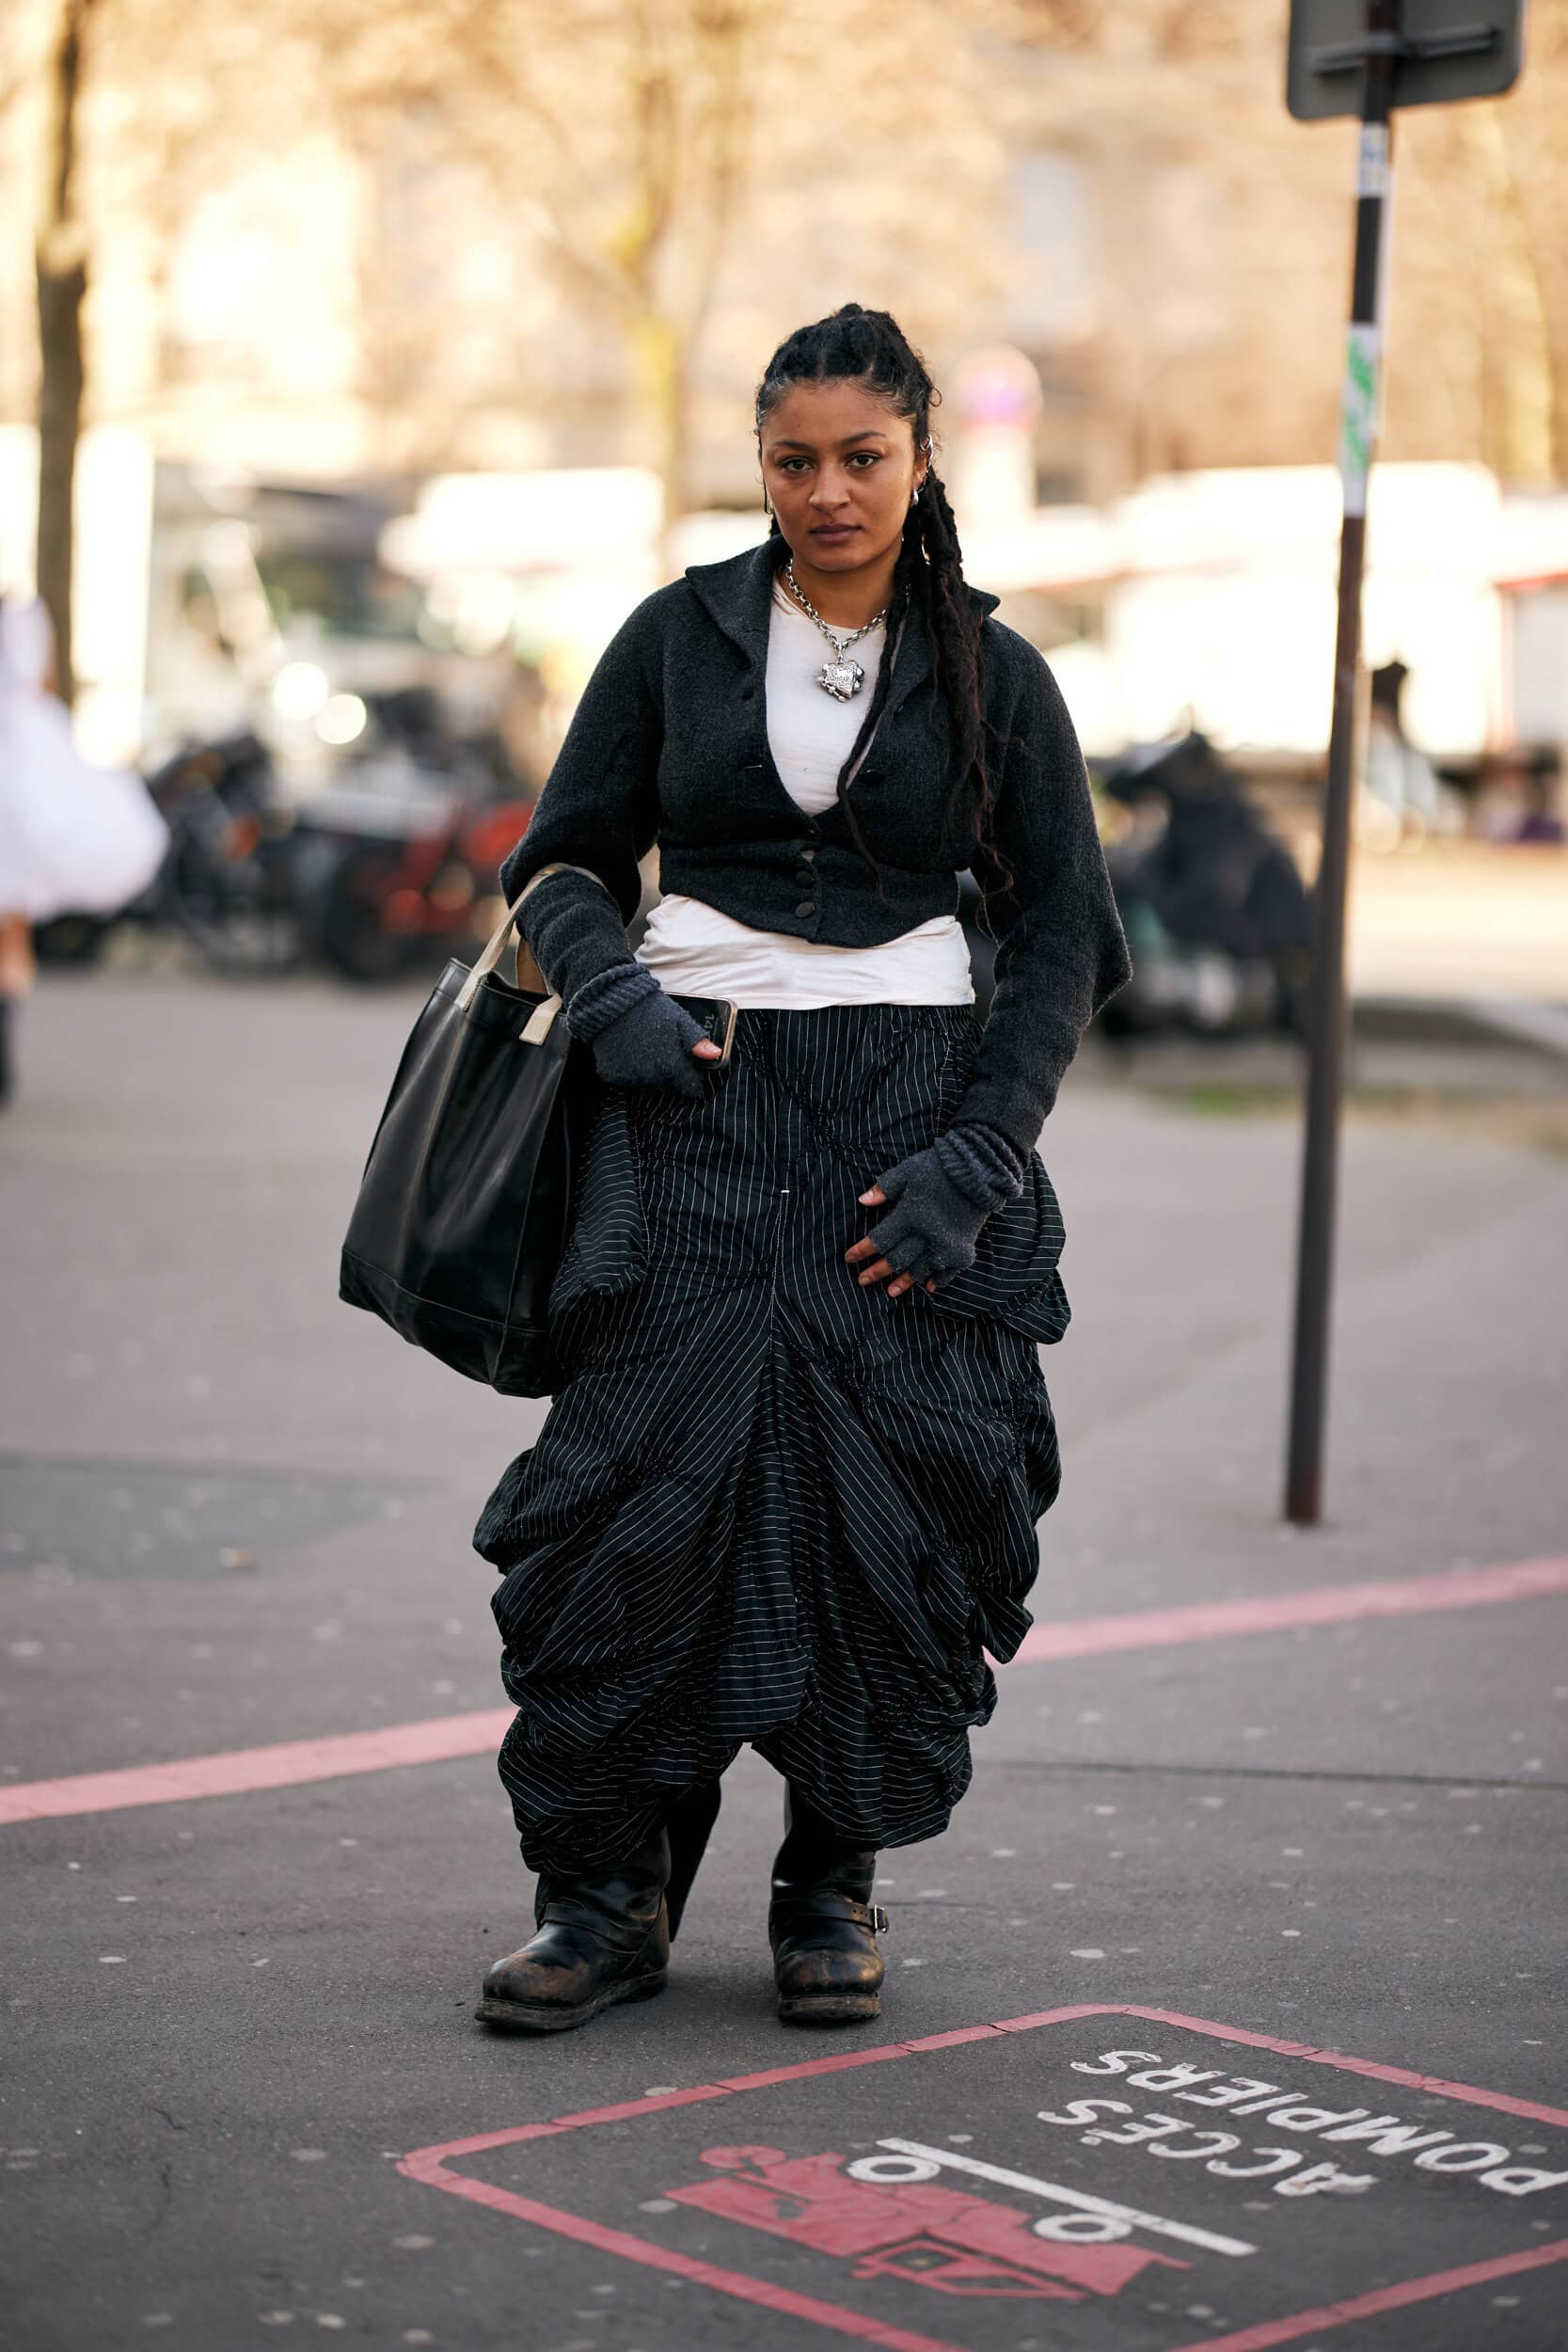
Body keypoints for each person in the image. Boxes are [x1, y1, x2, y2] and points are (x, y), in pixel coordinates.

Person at [472, 305, 1131, 2036]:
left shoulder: (1000, 673)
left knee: (900, 1507)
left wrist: (979, 1156)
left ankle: (829, 1882)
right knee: (638, 1502)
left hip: (908, 1130)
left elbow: (1066, 929)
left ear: (923, 460)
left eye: (863, 457)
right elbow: (555, 861)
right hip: (688, 1113)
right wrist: (610, 994)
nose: (827, 490)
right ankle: (606, 1901)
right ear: (758, 464)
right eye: (794, 459)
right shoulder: (675, 637)